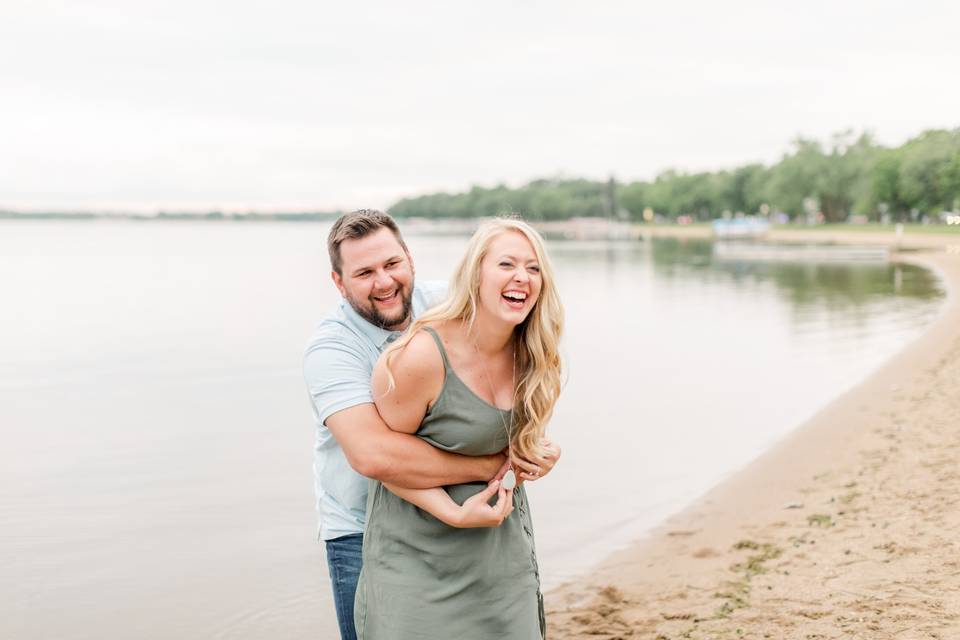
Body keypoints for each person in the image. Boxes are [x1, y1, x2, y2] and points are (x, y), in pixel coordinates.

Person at [303, 210, 559, 640]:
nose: (383, 282)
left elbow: (497, 389)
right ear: (339, 282)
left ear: (410, 259)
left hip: (470, 523)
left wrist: (535, 446)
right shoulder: (331, 350)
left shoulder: (453, 305)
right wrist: (494, 464)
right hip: (361, 528)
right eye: (364, 272)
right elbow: (374, 455)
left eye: (391, 264)